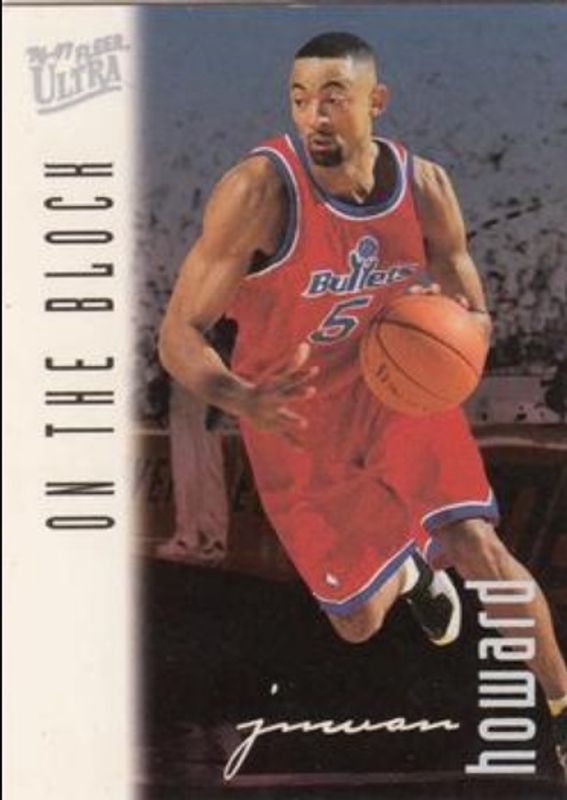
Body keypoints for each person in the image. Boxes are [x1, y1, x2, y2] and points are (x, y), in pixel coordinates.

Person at [159, 32, 567, 773]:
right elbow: (178, 334)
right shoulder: (258, 192)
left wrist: (463, 333)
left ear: (375, 101)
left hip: (397, 396)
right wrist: (239, 395)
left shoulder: (426, 187)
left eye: (333, 98)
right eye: (299, 99)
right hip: (290, 412)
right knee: (357, 620)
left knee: (478, 544)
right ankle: (411, 575)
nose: (314, 116)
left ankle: (562, 708)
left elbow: (471, 303)